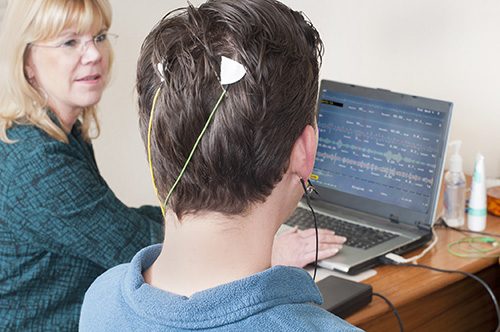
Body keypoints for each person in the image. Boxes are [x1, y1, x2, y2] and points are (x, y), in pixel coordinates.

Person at [0, 0, 346, 330]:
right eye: (69, 42)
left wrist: (198, 207)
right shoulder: (35, 163)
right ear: (26, 60)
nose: (92, 54)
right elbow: (125, 240)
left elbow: (112, 219)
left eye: (100, 37)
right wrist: (272, 248)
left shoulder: (64, 135)